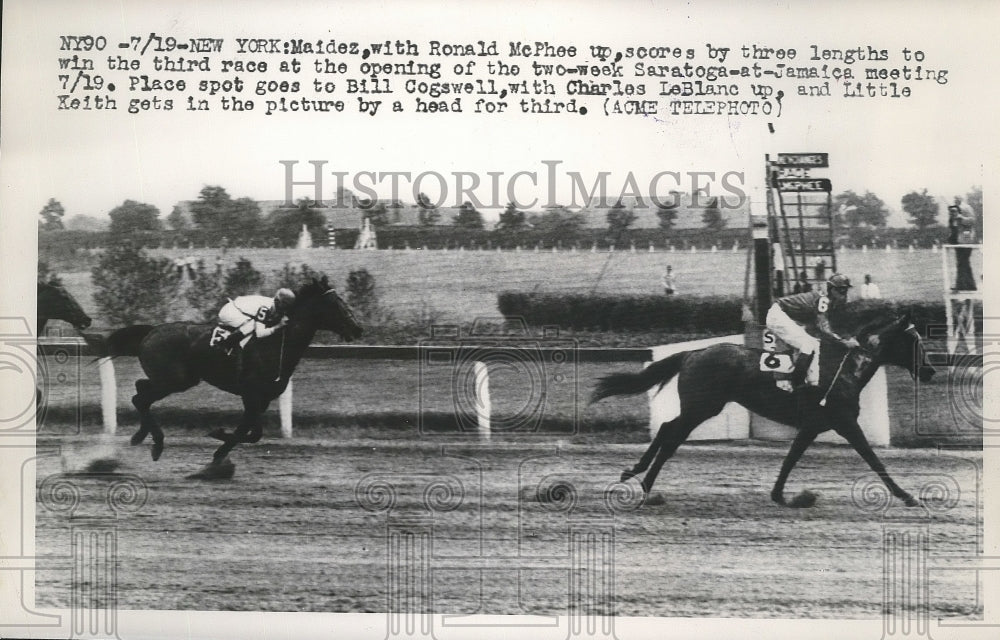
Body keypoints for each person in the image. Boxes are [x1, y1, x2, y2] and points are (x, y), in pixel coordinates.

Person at [765, 274, 859, 390]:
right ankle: (796, 385)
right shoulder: (823, 299)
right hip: (778, 314)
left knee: (813, 344)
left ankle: (808, 382)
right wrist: (843, 342)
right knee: (808, 345)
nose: (844, 294)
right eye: (841, 290)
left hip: (791, 317)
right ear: (831, 289)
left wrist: (848, 337)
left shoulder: (830, 301)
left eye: (845, 290)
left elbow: (832, 325)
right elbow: (823, 327)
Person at [214, 288, 296, 353]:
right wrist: (278, 326)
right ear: (278, 302)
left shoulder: (273, 305)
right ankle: (225, 344)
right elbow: (259, 334)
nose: (285, 310)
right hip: (230, 311)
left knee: (256, 324)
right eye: (285, 306)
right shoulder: (265, 307)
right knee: (252, 325)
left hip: (237, 310)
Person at [948, 203, 977, 291]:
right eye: (951, 211)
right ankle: (971, 286)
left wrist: (961, 218)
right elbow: (953, 230)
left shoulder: (966, 209)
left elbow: (972, 221)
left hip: (966, 242)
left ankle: (960, 285)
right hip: (958, 243)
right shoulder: (953, 218)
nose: (952, 213)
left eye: (954, 211)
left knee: (962, 263)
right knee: (964, 264)